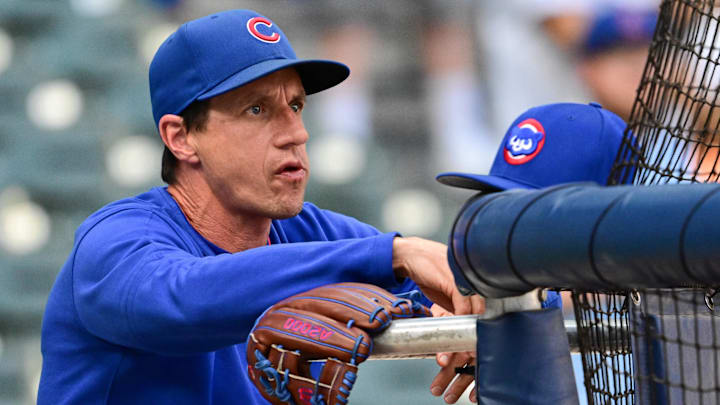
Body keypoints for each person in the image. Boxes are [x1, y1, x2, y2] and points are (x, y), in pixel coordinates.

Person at [37, 9, 482, 405]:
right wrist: (395, 253)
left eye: (295, 105)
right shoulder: (114, 242)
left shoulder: (307, 233)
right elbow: (184, 297)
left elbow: (473, 292)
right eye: (256, 109)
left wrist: (470, 325)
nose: (297, 133)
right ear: (181, 137)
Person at [435, 101, 635, 316]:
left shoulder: (630, 315)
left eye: (532, 217)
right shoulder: (476, 290)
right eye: (499, 203)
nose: (506, 228)